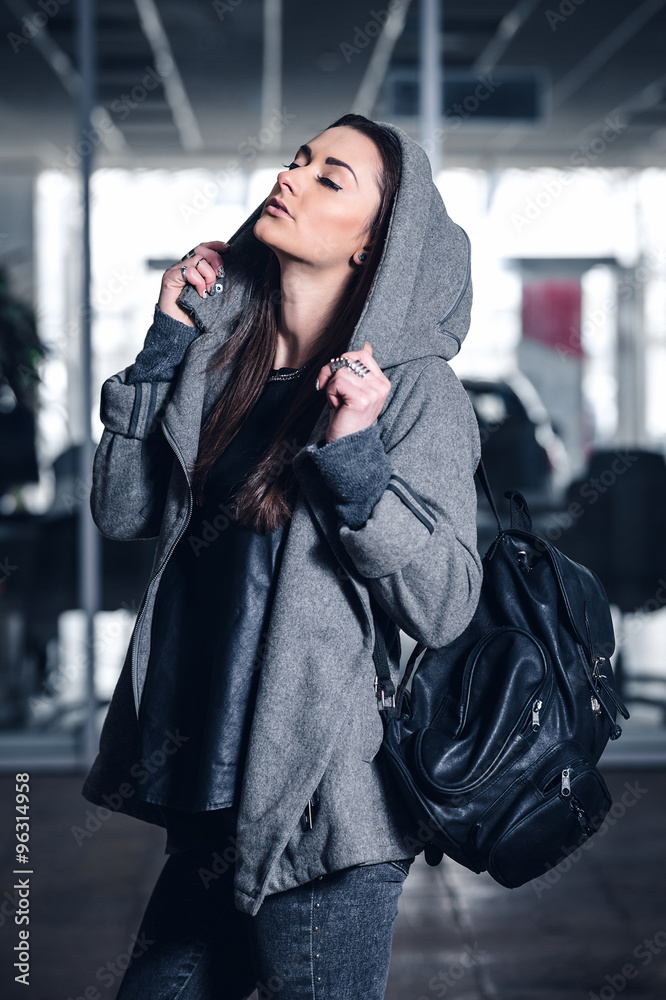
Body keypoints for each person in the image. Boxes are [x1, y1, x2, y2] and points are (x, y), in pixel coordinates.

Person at [81, 114, 482, 999]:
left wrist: (354, 454)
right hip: (211, 792)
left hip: (324, 812)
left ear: (377, 242)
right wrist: (164, 344)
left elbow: (447, 600)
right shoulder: (224, 362)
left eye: (330, 177)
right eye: (299, 159)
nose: (292, 177)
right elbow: (123, 508)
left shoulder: (413, 393)